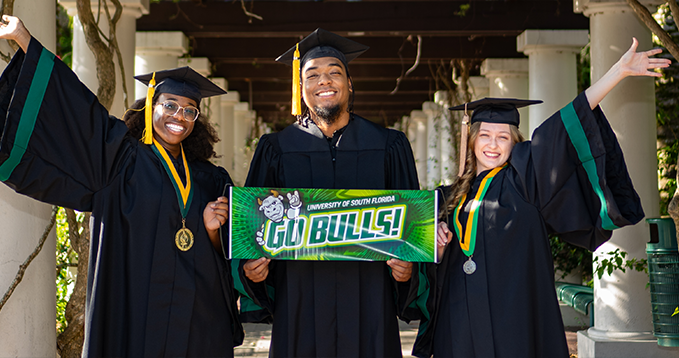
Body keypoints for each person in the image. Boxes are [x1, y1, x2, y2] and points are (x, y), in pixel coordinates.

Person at [0, 15, 243, 357]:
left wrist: (211, 229)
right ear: (151, 108)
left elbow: (230, 252)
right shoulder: (119, 158)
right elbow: (78, 111)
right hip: (134, 310)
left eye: (190, 111)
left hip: (199, 315)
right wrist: (25, 39)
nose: (179, 116)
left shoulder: (210, 178)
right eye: (170, 105)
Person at [404, 38, 671, 358]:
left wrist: (616, 72)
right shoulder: (445, 198)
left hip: (514, 324)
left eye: (503, 136)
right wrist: (435, 246)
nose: (492, 144)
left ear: (515, 142)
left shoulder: (524, 178)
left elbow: (560, 130)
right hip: (457, 325)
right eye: (485, 136)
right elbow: (415, 263)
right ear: (472, 140)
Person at [233, 28, 420, 357]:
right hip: (300, 298)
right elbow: (252, 232)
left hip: (369, 299)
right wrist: (252, 270)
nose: (325, 81)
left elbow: (413, 229)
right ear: (300, 87)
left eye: (335, 72)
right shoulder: (276, 149)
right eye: (313, 74)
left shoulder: (388, 145)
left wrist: (408, 269)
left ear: (350, 84)